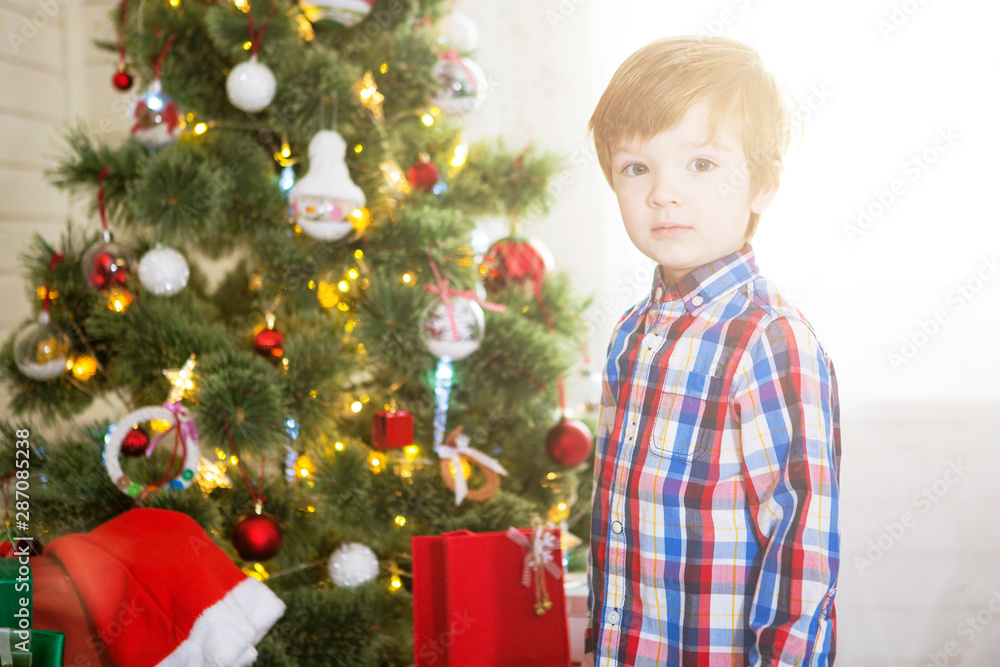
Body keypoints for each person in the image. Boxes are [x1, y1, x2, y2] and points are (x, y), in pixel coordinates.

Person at [582, 36, 841, 666]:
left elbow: (799, 553)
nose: (662, 192)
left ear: (762, 184)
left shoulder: (769, 340)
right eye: (635, 168)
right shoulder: (630, 333)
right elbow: (615, 525)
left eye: (701, 164)